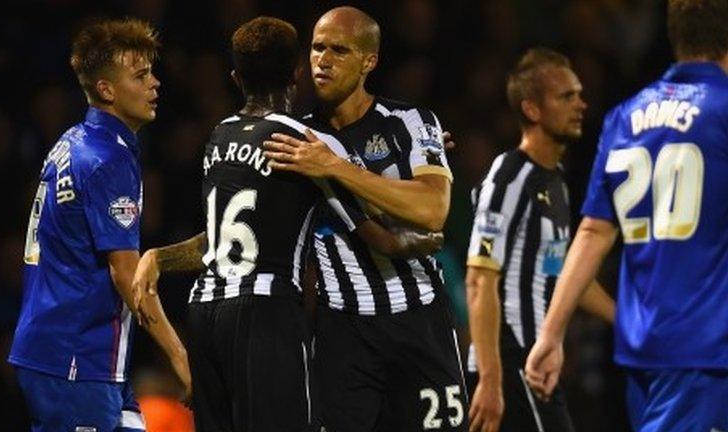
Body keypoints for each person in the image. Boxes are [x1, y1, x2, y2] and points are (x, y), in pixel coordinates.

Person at [131, 17, 441, 432]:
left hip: (205, 312)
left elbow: (218, 239)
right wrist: (420, 241)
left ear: (236, 78)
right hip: (266, 312)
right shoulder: (305, 145)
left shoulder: (219, 138)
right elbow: (378, 235)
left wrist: (160, 257)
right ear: (297, 72)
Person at [525, 1, 728, 431]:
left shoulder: (625, 116)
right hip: (706, 349)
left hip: (645, 351)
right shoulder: (722, 110)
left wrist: (551, 332)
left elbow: (594, 231)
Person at [264, 7, 468, 431]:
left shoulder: (411, 123)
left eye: (339, 50)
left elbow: (433, 210)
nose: (322, 60)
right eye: (317, 48)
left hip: (420, 322)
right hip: (343, 334)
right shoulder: (297, 140)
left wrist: (335, 168)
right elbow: (245, 220)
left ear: (369, 61)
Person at [8, 18, 190, 432]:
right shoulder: (108, 159)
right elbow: (127, 274)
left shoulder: (72, 140)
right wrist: (181, 358)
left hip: (76, 354)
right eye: (141, 75)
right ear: (107, 89)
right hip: (75, 359)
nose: (155, 84)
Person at [464, 48, 615, 432]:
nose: (580, 104)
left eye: (579, 94)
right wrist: (491, 380)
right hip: (508, 362)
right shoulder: (510, 177)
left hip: (534, 363)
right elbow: (480, 279)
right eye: (566, 96)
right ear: (532, 110)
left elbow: (561, 270)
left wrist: (626, 319)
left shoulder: (557, 183)